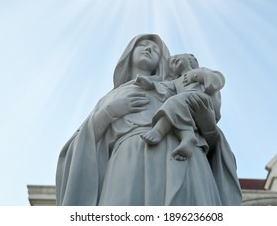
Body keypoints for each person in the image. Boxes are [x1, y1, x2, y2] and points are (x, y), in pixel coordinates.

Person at [56, 34, 241, 205]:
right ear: (129, 54)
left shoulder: (177, 86)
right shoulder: (110, 97)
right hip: (129, 162)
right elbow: (76, 149)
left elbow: (213, 136)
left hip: (186, 156)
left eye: (156, 48)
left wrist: (207, 124)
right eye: (142, 45)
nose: (148, 49)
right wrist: (109, 112)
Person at [136, 53, 224, 161]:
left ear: (190, 59)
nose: (174, 60)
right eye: (172, 62)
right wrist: (150, 85)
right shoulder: (176, 82)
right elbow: (165, 89)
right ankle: (187, 137)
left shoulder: (201, 70)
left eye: (177, 57)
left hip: (201, 100)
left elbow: (218, 80)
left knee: (173, 102)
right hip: (184, 105)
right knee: (176, 114)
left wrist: (196, 75)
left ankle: (158, 130)